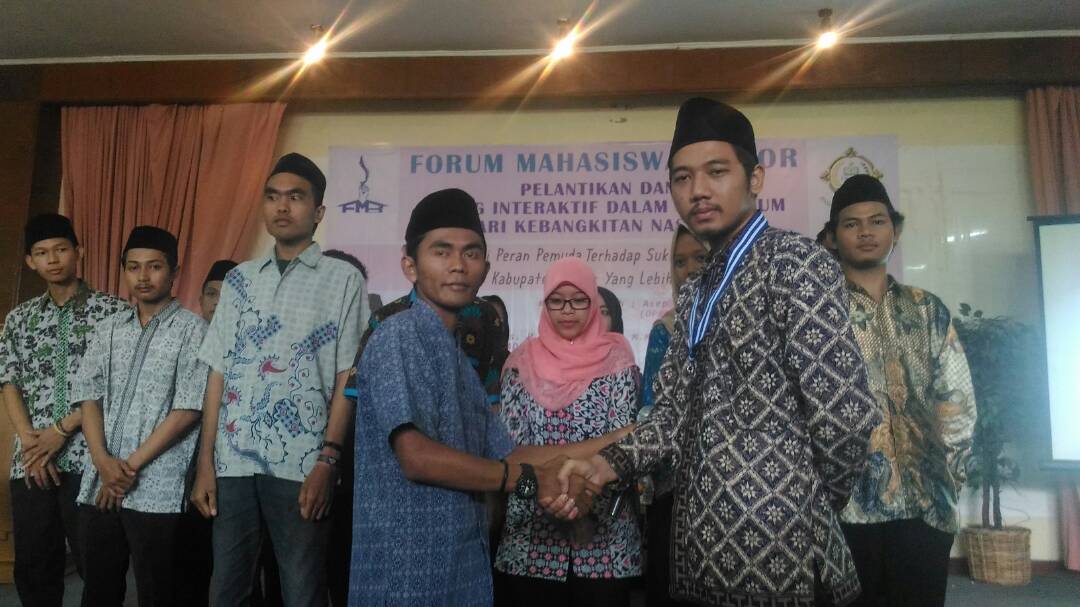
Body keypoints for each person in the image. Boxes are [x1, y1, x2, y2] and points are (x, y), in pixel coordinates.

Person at [550, 98, 880, 607]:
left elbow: (845, 417)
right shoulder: (697, 291)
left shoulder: (794, 264)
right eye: (682, 178)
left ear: (755, 178)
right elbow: (671, 419)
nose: (698, 190)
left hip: (784, 560)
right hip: (702, 560)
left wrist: (803, 501)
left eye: (716, 172)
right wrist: (605, 464)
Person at [349, 188, 625, 606]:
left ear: (486, 268)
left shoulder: (458, 360)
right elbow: (416, 456)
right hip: (404, 573)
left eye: (471, 253)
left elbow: (511, 454)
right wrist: (527, 479)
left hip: (459, 569)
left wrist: (620, 438)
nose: (458, 265)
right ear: (410, 265)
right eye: (441, 251)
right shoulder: (399, 335)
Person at [191, 152, 368, 607]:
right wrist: (206, 461)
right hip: (233, 463)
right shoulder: (239, 280)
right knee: (226, 591)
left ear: (319, 211)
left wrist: (329, 460)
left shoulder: (343, 280)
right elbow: (217, 371)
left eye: (295, 197)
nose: (282, 207)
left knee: (302, 591)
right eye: (272, 197)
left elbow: (349, 376)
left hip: (302, 464)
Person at [828, 174, 977, 607]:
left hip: (924, 509)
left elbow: (958, 404)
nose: (866, 232)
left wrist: (948, 485)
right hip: (844, 512)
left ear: (896, 229)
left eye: (877, 221)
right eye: (851, 223)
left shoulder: (926, 309)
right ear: (833, 237)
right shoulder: (818, 312)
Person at [72, 225, 209, 607]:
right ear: (124, 271)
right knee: (98, 588)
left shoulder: (193, 331)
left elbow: (188, 409)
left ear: (175, 272)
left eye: (154, 267)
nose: (143, 276)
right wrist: (102, 462)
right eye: (133, 267)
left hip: (156, 486)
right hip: (100, 480)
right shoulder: (109, 329)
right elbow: (88, 397)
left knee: (158, 591)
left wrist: (126, 469)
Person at [495, 257, 642, 606]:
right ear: (545, 304)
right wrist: (556, 491)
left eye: (578, 300)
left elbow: (626, 448)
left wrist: (581, 488)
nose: (567, 310)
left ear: (592, 302)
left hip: (604, 543)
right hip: (531, 540)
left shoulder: (617, 360)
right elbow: (512, 452)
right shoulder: (520, 363)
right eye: (557, 301)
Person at [0, 213, 128, 607]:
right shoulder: (19, 319)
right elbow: (8, 382)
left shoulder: (114, 312)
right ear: (30, 261)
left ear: (79, 252)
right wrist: (31, 444)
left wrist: (61, 430)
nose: (52, 259)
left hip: (91, 458)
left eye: (60, 249)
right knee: (35, 566)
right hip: (32, 461)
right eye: (42, 253)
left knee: (101, 564)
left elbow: (118, 383)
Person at [637, 224, 707, 607]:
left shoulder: (750, 324)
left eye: (700, 258)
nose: (689, 269)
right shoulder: (665, 330)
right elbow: (652, 412)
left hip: (740, 495)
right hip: (675, 493)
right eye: (680, 262)